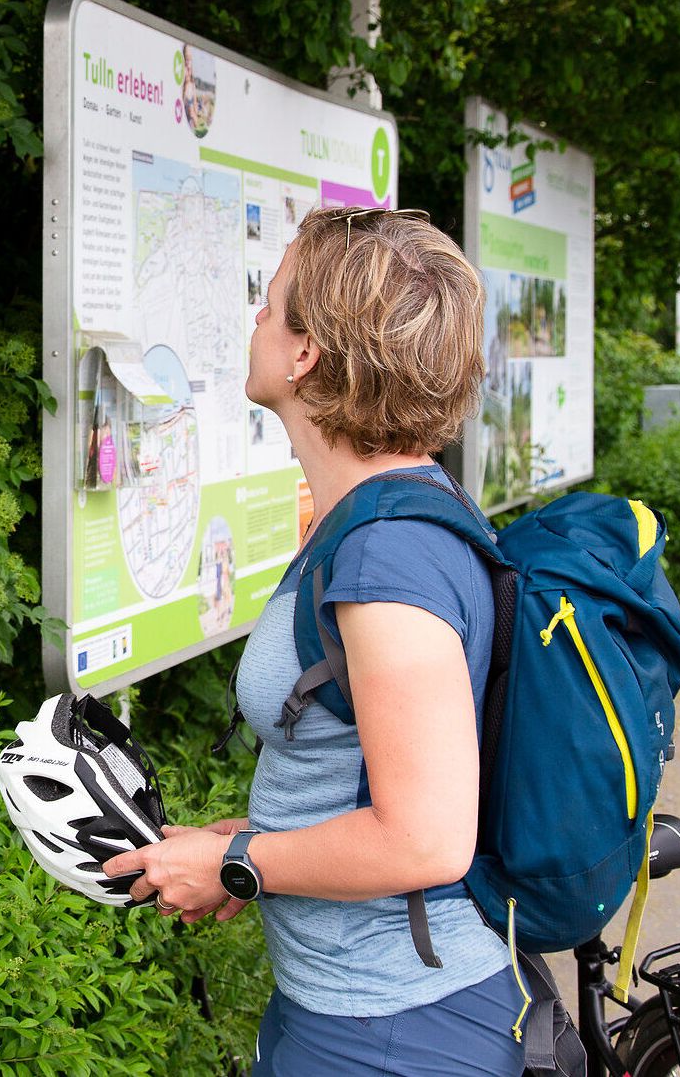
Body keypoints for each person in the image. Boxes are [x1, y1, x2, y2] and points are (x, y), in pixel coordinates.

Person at [102, 206, 523, 1075]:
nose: (255, 317)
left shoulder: (386, 559)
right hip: (352, 1005)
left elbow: (425, 839)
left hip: (396, 1028)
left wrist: (240, 865)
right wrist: (240, 843)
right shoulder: (390, 514)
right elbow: (373, 765)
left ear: (306, 355)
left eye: (270, 300)